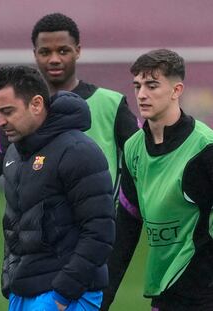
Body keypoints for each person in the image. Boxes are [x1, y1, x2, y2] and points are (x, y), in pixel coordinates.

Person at [0, 12, 138, 201]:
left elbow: (140, 157)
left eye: (63, 51)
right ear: (35, 54)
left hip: (98, 222)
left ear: (78, 51)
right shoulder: (21, 107)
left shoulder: (112, 104)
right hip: (40, 225)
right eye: (45, 52)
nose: (54, 59)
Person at [0, 65, 115, 311]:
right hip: (23, 291)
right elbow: (14, 226)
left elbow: (100, 232)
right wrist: (11, 283)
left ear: (36, 104)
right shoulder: (14, 152)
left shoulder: (78, 151)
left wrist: (62, 295)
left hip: (67, 296)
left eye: (7, 111)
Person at [103, 49, 213, 310]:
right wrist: (102, 299)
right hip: (163, 290)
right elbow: (126, 229)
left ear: (176, 90)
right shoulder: (133, 148)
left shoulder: (205, 148)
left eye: (152, 86)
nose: (142, 94)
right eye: (138, 86)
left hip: (205, 293)